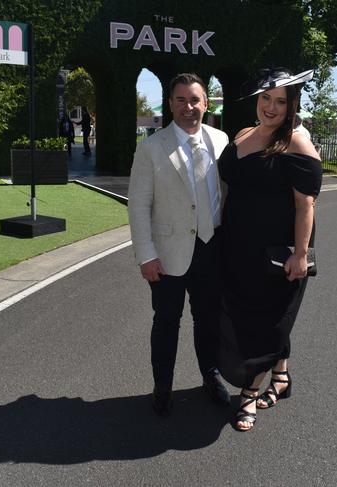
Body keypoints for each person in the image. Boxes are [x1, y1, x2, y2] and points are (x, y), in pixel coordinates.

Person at [217, 68, 322, 431]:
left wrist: (300, 254)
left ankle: (248, 396)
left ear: (292, 106)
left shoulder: (296, 143)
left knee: (267, 322)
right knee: (250, 316)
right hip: (237, 248)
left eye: (281, 101)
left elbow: (305, 204)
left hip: (277, 253)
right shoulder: (243, 134)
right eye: (266, 98)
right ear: (257, 100)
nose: (271, 107)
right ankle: (281, 376)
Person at [128, 73, 231, 417]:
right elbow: (138, 205)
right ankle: (163, 384)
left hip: (212, 248)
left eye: (195, 100)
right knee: (167, 321)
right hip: (168, 253)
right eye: (181, 100)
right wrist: (146, 255)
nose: (189, 107)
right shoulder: (151, 148)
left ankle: (210, 375)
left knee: (209, 319)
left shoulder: (221, 140)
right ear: (170, 103)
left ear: (207, 103)